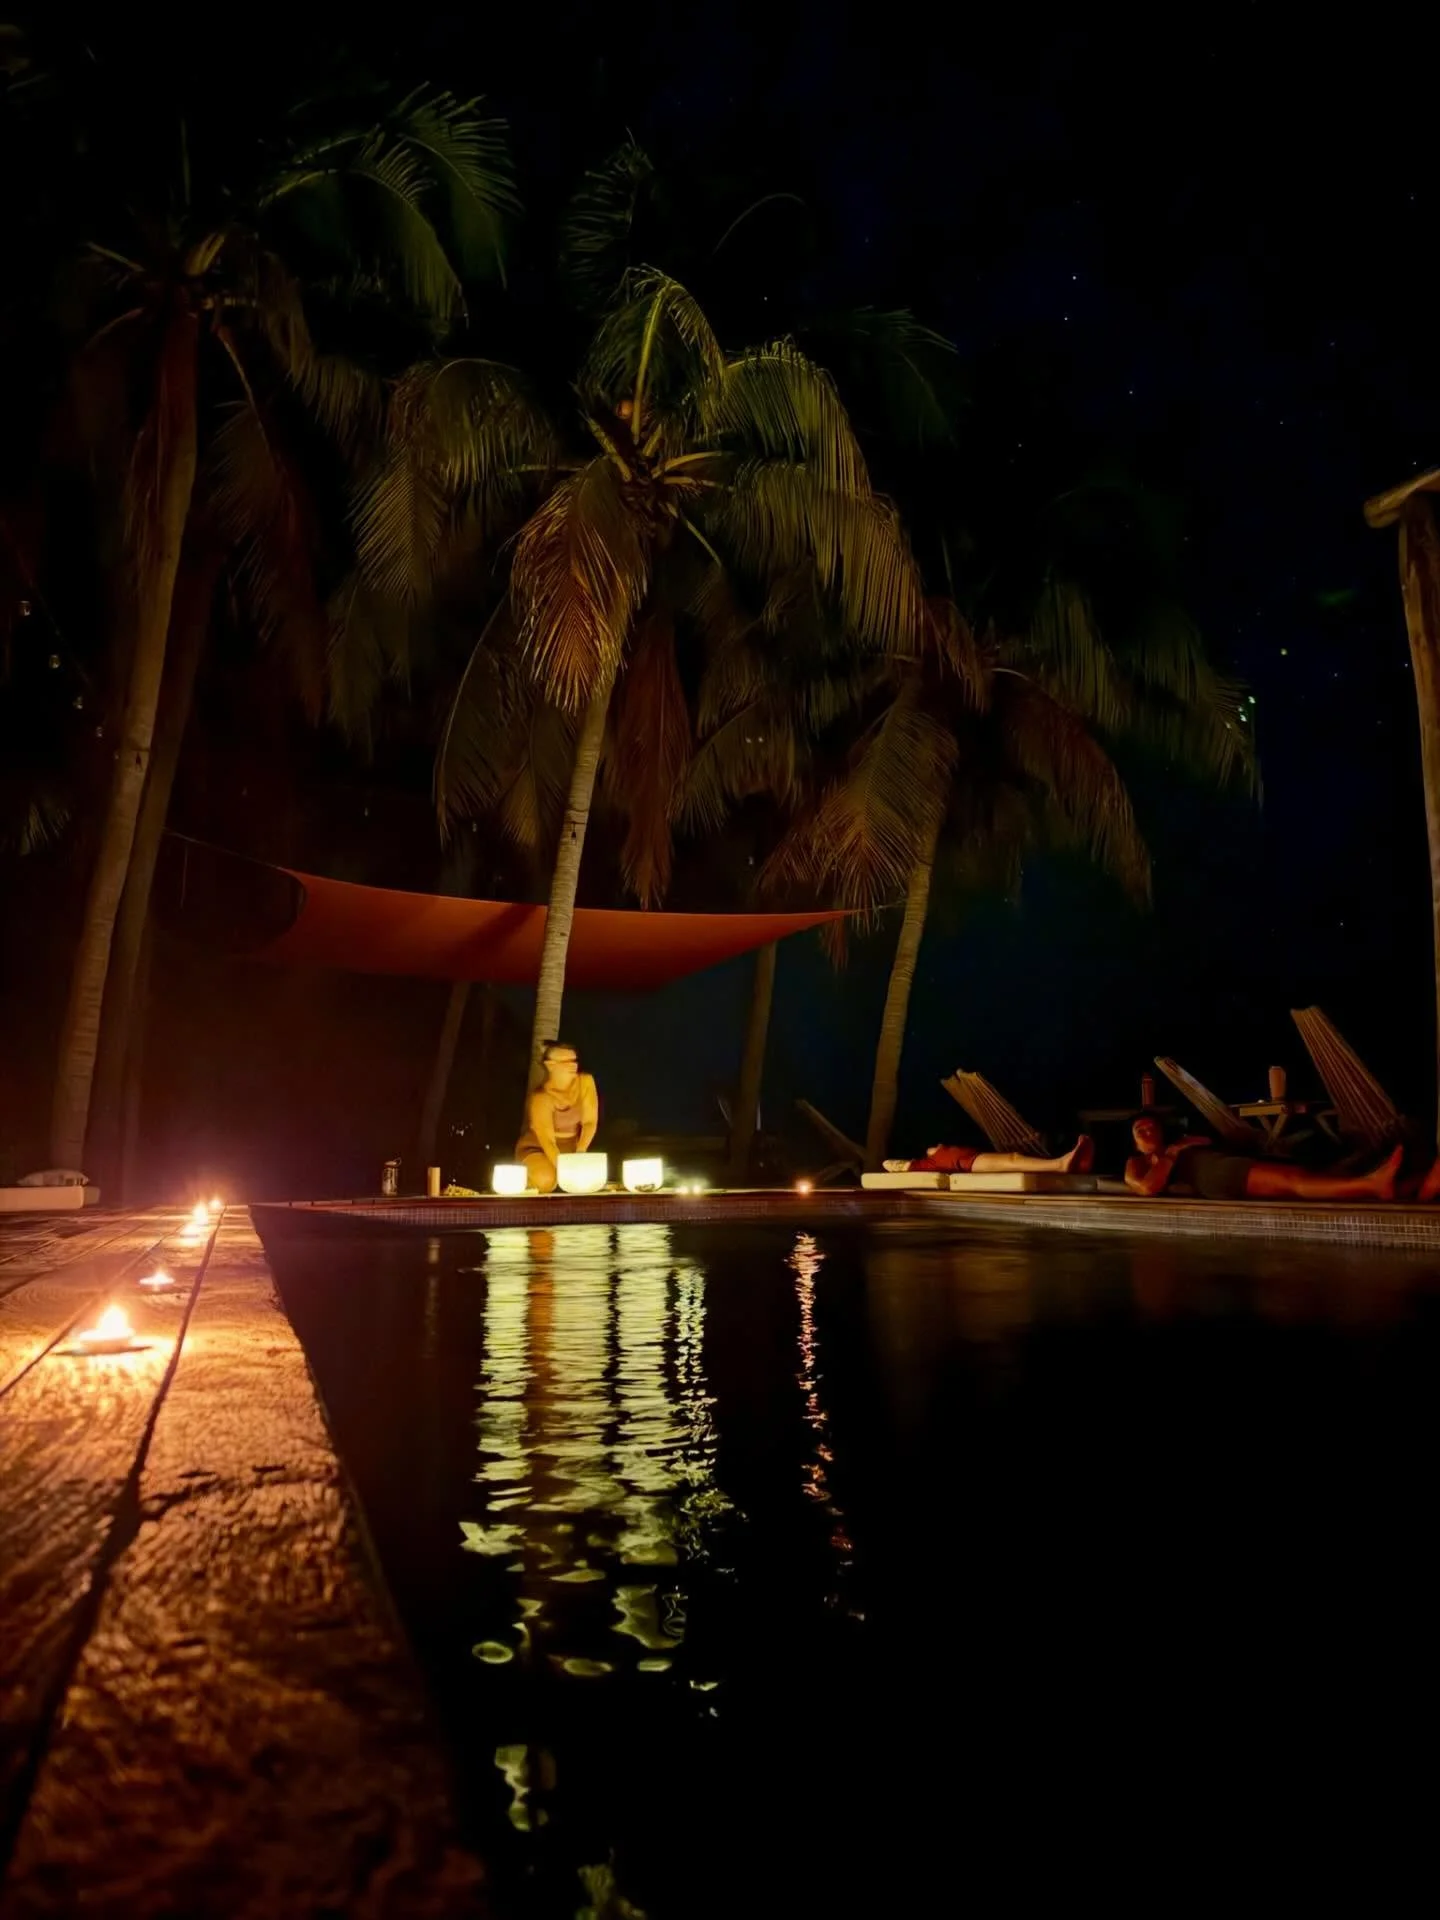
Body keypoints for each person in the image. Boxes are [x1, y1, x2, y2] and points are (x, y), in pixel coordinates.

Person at [1124, 1113, 1403, 1201]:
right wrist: (1172, 1153)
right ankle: (1374, 1186)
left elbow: (1208, 1140)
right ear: (1134, 1141)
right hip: (1217, 1176)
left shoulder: (1180, 1144)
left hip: (1224, 1166)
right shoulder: (1136, 1163)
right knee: (1294, 1181)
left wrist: (1184, 1144)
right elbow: (1148, 1188)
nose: (1148, 1131)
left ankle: (1380, 1185)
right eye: (1141, 1129)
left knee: (1302, 1176)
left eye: (1153, 1127)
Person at [516, 1041, 600, 1194]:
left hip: (571, 1148)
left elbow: (590, 1121)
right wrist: (566, 1169)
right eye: (566, 1062)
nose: (573, 1065)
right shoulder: (541, 1098)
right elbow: (547, 1140)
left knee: (588, 1178)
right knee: (546, 1180)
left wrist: (580, 1152)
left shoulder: (585, 1082)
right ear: (550, 1065)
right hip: (538, 1148)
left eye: (574, 1061)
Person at [886, 1137, 1096, 1177]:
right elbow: (886, 1164)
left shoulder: (930, 1157)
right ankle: (1061, 1164)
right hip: (965, 1163)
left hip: (969, 1158)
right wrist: (903, 1166)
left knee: (1014, 1157)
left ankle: (1068, 1165)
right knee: (1013, 1159)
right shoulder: (921, 1165)